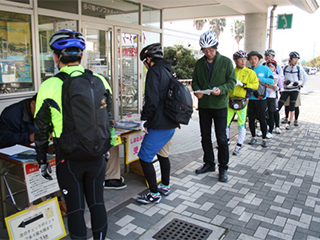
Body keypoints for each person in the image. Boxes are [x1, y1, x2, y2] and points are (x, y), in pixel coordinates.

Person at [34, 29, 111, 239]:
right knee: (97, 204)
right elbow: (108, 119)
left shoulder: (49, 85)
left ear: (56, 57)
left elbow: (41, 128)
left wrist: (41, 159)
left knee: (76, 210)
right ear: (82, 56)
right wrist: (107, 147)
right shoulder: (100, 80)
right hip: (97, 156)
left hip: (68, 159)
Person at [136, 43, 178, 204]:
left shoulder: (154, 72)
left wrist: (144, 119)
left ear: (148, 59)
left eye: (144, 62)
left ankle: (154, 194)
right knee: (163, 155)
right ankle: (165, 186)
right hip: (171, 122)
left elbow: (151, 100)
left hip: (159, 124)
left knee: (144, 158)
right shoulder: (168, 71)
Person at [192, 30, 236, 182]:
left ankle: (223, 168)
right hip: (204, 106)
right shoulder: (199, 63)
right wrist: (197, 91)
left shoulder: (226, 62)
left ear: (216, 47)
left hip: (220, 106)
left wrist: (221, 89)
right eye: (205, 50)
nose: (208, 53)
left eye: (210, 50)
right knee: (205, 137)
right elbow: (195, 81)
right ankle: (209, 163)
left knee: (222, 138)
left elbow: (231, 82)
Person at [226, 50, 259, 156]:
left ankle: (239, 145)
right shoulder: (231, 71)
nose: (243, 62)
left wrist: (244, 84)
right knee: (225, 123)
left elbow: (255, 85)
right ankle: (226, 142)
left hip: (242, 102)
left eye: (244, 60)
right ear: (235, 61)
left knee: (241, 124)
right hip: (230, 101)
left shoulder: (250, 72)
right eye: (241, 60)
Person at [247, 51, 274, 147]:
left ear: (258, 59)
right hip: (251, 99)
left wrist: (260, 79)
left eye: (255, 58)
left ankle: (264, 138)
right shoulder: (248, 70)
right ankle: (253, 137)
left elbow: (271, 80)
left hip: (261, 99)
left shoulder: (265, 69)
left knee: (263, 119)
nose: (253, 61)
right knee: (251, 119)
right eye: (251, 59)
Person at [278, 52, 308, 130]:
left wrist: (299, 84)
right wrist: (284, 81)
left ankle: (289, 122)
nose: (296, 61)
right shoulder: (285, 68)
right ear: (290, 59)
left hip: (294, 90)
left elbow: (304, 78)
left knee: (292, 105)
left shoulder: (299, 69)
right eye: (294, 59)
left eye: (297, 59)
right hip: (286, 89)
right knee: (280, 104)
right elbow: (281, 77)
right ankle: (275, 121)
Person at [266, 59, 283, 138]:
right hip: (264, 96)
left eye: (272, 66)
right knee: (263, 114)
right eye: (268, 66)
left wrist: (277, 88)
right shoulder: (264, 75)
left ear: (275, 67)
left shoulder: (277, 76)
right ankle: (264, 128)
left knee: (271, 113)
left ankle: (270, 131)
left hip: (272, 97)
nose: (270, 67)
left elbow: (281, 87)